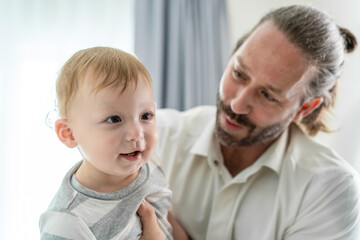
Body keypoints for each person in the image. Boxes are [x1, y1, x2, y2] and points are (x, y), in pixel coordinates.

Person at [152, 5, 360, 240]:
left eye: (268, 95)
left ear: (304, 109)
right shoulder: (155, 136)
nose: (237, 105)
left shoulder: (329, 189)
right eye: (239, 74)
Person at [39, 47, 175, 239]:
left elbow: (167, 218)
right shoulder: (67, 224)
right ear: (69, 133)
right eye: (114, 119)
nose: (137, 134)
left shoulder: (151, 165)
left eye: (145, 115)